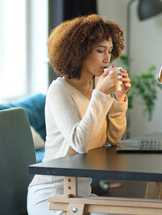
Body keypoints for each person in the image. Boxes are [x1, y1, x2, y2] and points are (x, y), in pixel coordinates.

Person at [27, 14, 131, 215]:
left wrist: (118, 98)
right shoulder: (60, 90)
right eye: (100, 51)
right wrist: (101, 94)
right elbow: (80, 143)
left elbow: (113, 138)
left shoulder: (95, 89)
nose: (107, 58)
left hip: (82, 193)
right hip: (52, 193)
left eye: (109, 51)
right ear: (80, 52)